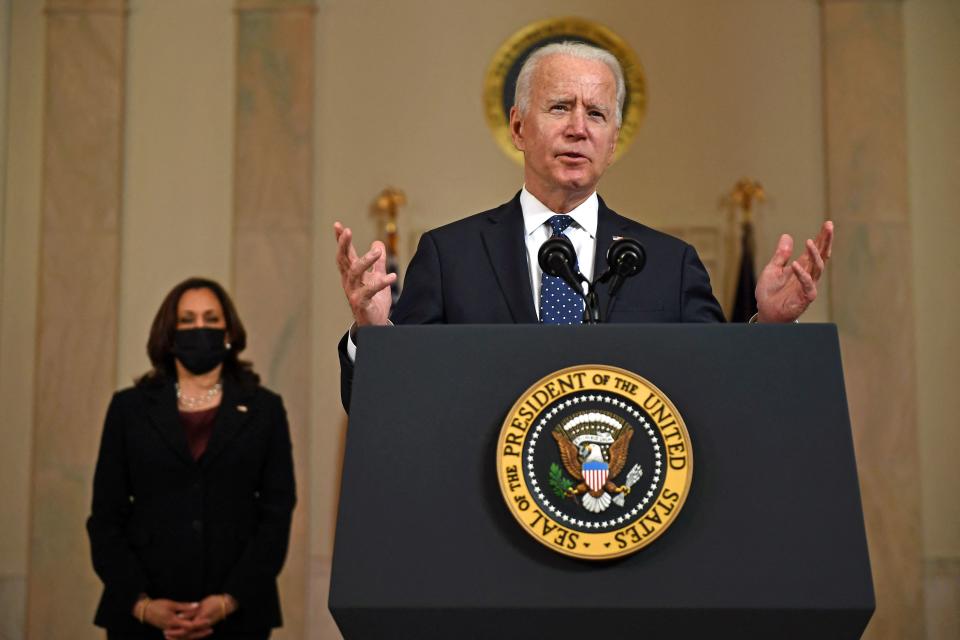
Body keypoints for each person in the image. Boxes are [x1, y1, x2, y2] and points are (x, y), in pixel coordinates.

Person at [333, 42, 832, 409]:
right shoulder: (449, 256)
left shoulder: (668, 264)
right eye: (559, 107)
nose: (578, 127)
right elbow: (393, 409)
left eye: (596, 113)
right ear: (518, 126)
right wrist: (374, 335)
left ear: (612, 143)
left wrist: (768, 327)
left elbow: (720, 395)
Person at [87, 277, 296, 640]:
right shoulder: (129, 409)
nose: (200, 328)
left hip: (238, 616)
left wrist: (230, 600)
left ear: (228, 331)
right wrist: (143, 606)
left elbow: (277, 513)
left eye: (211, 319)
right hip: (142, 615)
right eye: (187, 320)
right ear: (169, 333)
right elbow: (106, 516)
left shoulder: (265, 409)